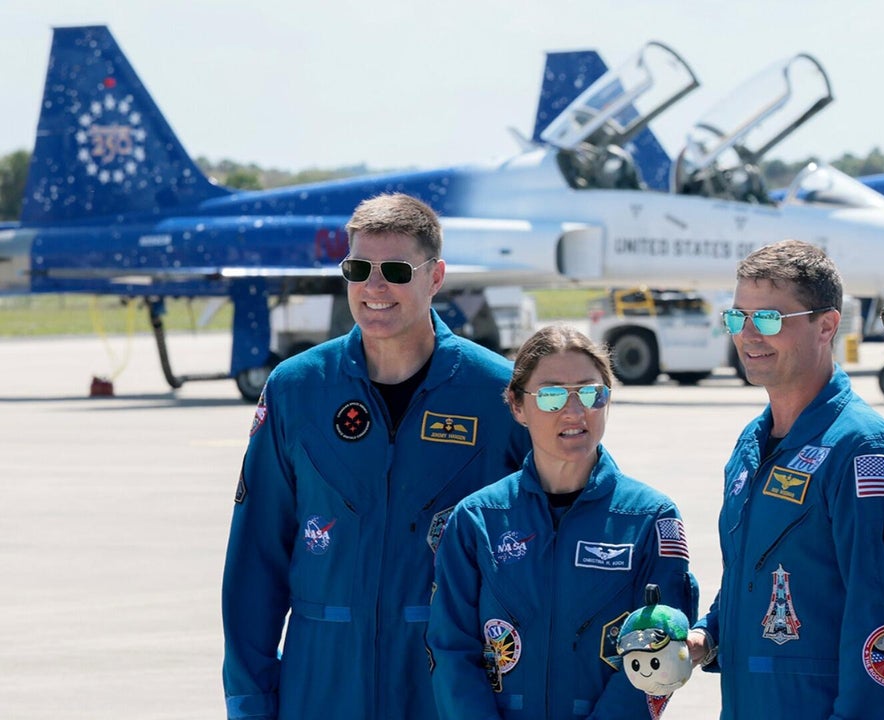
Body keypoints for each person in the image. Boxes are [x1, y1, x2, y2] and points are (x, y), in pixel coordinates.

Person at [221, 193, 531, 720]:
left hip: (448, 689)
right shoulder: (297, 390)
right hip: (321, 689)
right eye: (359, 269)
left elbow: (570, 512)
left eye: (395, 270)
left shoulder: (497, 394)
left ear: (435, 278)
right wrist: (250, 703)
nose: (374, 287)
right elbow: (255, 561)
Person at [686, 240, 884, 720]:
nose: (748, 335)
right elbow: (753, 579)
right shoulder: (752, 443)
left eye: (769, 319)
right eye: (737, 317)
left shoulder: (863, 450)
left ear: (826, 326)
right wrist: (706, 637)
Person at [427, 324, 698, 719]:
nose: (574, 412)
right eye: (552, 396)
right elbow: (451, 649)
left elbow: (657, 658)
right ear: (517, 406)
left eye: (590, 393)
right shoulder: (477, 520)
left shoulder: (650, 520)